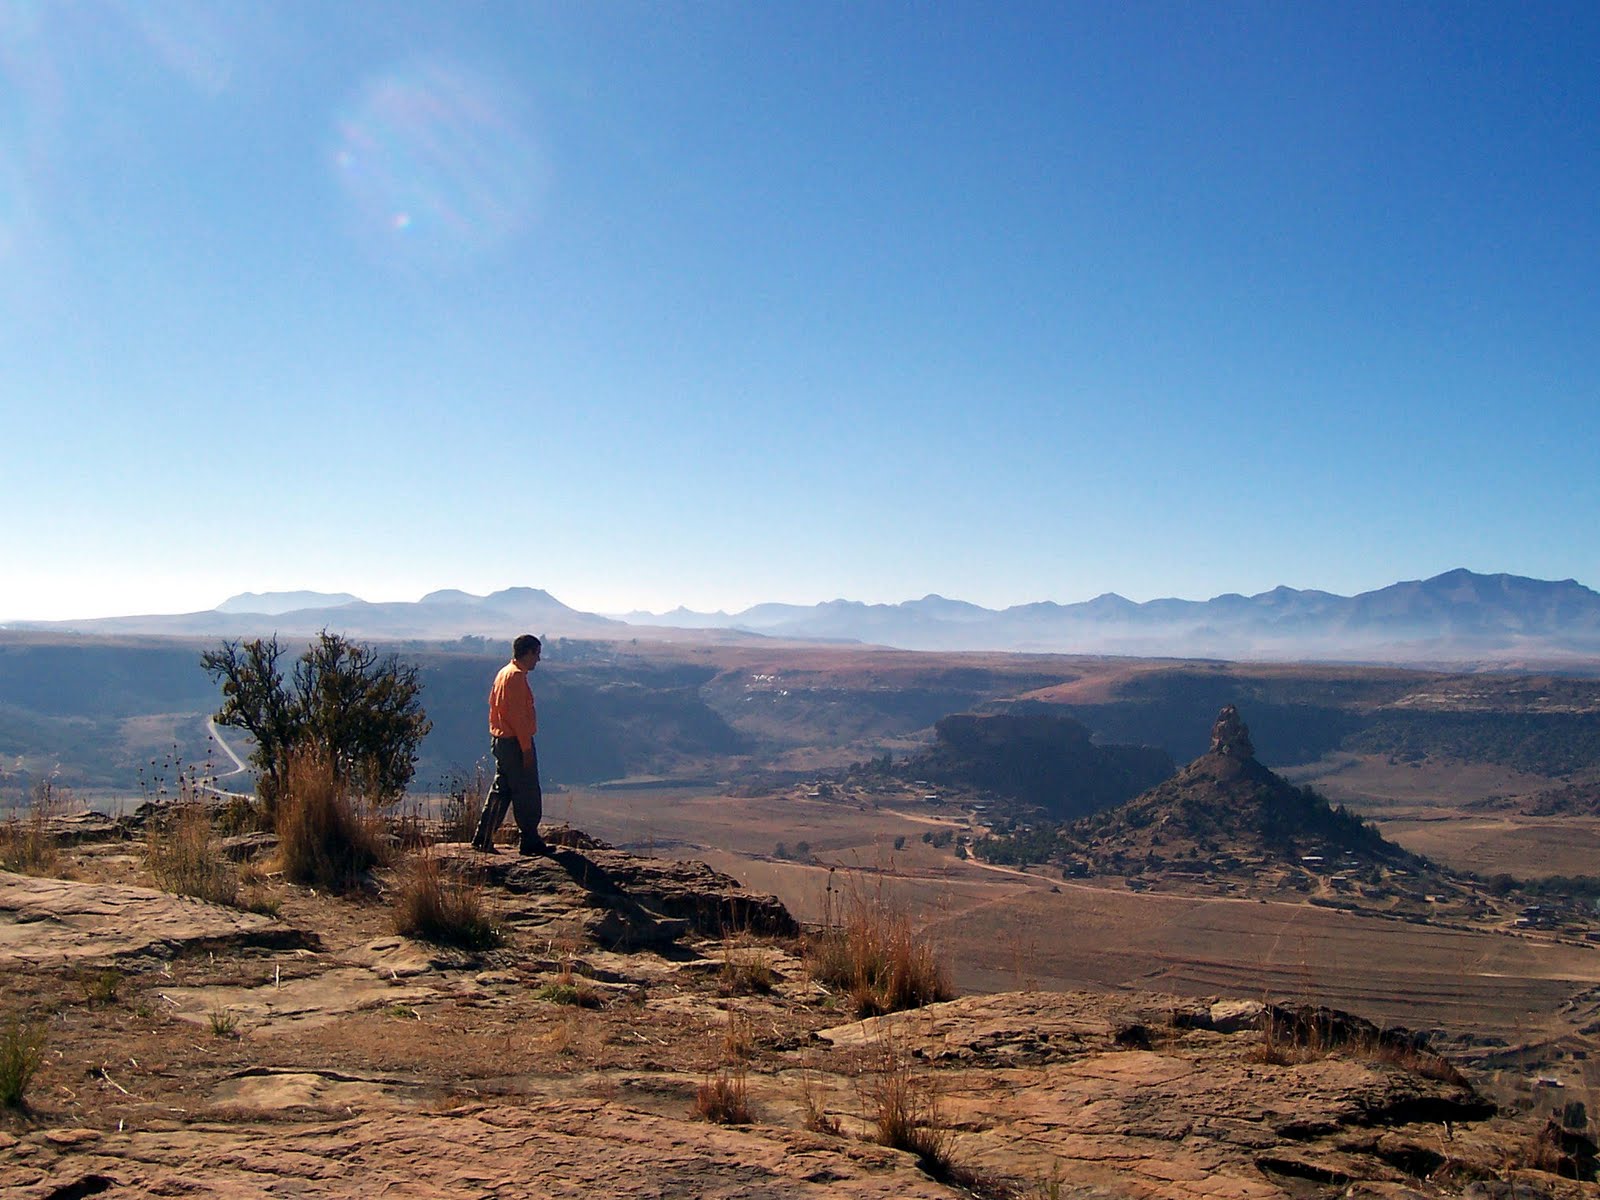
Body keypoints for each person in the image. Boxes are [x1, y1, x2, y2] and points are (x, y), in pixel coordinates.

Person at [471, 634, 545, 855]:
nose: (538, 659)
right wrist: (526, 748)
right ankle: (529, 840)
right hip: (514, 742)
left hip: (501, 741)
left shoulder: (504, 673)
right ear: (528, 652)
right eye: (537, 654)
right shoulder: (515, 677)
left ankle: (483, 837)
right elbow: (518, 717)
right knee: (526, 791)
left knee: (501, 790)